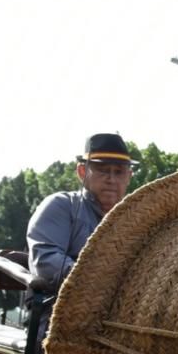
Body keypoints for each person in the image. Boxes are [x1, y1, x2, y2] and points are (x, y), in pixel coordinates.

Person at [27, 132, 136, 310]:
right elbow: (46, 261)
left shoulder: (135, 219)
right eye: (102, 170)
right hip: (57, 314)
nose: (111, 179)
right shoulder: (61, 206)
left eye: (119, 172)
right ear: (82, 172)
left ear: (129, 176)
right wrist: (99, 279)